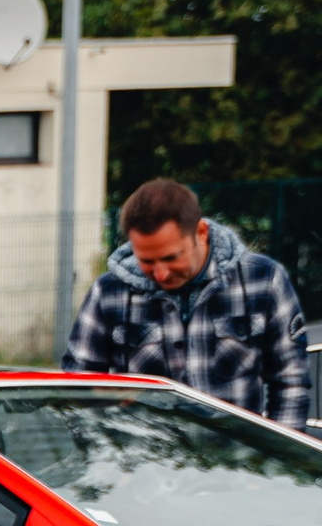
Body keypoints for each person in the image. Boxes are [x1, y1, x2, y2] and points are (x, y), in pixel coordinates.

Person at [63, 177, 312, 426]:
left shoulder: (264, 280)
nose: (161, 273)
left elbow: (290, 381)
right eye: (147, 261)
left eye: (171, 258)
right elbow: (77, 388)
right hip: (141, 449)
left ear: (201, 233)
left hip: (236, 449)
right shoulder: (108, 292)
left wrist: (278, 449)